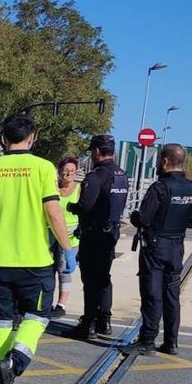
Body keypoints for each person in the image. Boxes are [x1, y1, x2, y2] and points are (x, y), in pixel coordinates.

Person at [0, 114, 73, 384]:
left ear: (3, 138)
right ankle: (13, 365)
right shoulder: (42, 169)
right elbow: (53, 213)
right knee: (37, 317)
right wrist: (66, 249)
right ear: (32, 137)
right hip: (34, 261)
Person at [123, 143, 192, 355]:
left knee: (152, 293)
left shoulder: (160, 187)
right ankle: (171, 341)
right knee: (171, 294)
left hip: (156, 247)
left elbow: (144, 218)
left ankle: (147, 340)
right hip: (177, 247)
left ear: (165, 161)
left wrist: (135, 216)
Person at [67, 134, 129, 340]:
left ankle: (88, 324)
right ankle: (105, 321)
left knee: (90, 280)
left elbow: (85, 206)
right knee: (104, 277)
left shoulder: (96, 176)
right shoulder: (121, 175)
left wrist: (71, 206)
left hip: (94, 234)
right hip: (111, 233)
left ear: (96, 152)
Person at [51, 156, 81, 319]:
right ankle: (46, 301)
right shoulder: (53, 188)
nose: (68, 173)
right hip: (51, 233)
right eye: (65, 170)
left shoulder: (79, 189)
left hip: (70, 236)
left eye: (72, 170)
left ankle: (61, 304)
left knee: (64, 269)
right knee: (49, 269)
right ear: (59, 171)